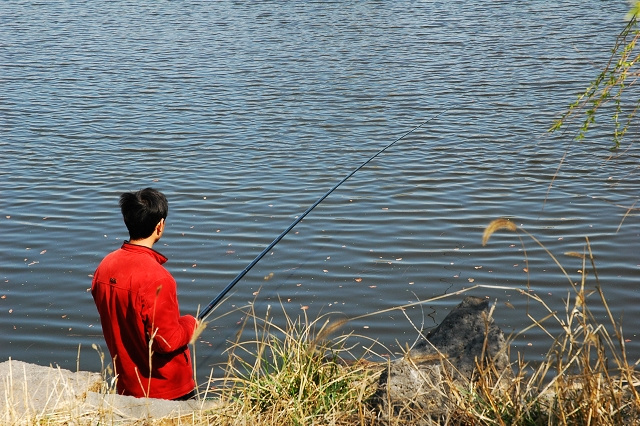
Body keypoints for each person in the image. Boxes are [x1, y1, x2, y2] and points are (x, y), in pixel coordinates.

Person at [91, 187, 198, 400]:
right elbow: (166, 342)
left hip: (127, 386)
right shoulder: (158, 278)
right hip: (167, 390)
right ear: (160, 226)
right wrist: (190, 324)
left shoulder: (104, 267)